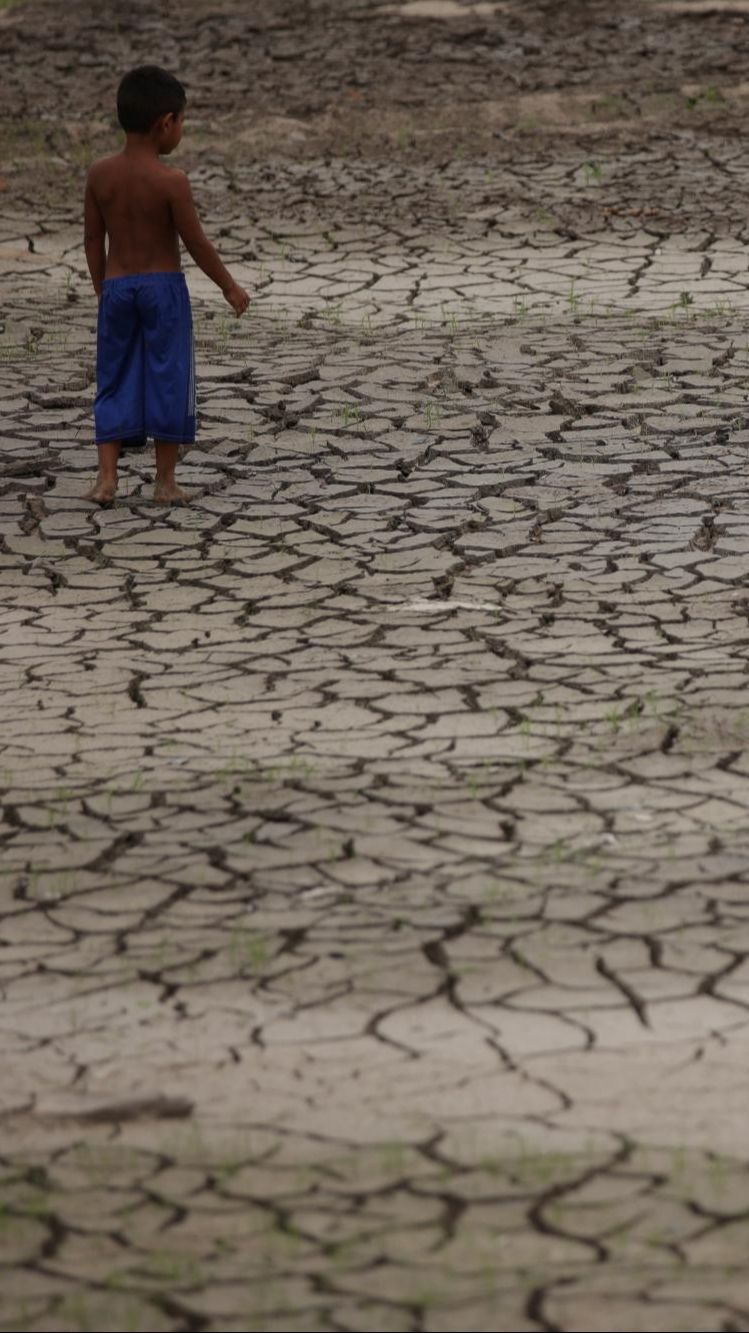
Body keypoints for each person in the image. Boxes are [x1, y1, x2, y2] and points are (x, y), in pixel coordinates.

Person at [83, 64, 250, 504]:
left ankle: (106, 478)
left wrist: (103, 289)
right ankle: (165, 482)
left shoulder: (100, 174)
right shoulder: (171, 182)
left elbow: (91, 240)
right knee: (168, 378)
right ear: (166, 123)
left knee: (114, 377)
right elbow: (195, 242)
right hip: (162, 291)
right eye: (182, 122)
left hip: (118, 287)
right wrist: (229, 286)